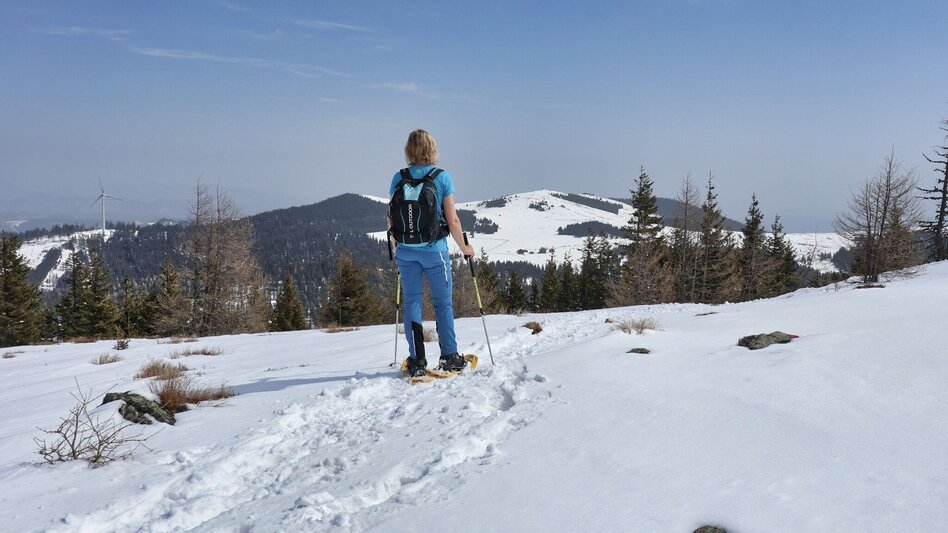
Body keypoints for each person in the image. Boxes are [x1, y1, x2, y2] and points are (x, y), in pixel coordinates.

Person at [388, 129, 475, 377]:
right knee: (442, 304)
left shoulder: (399, 177)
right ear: (432, 149)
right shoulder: (442, 178)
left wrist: (398, 246)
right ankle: (449, 357)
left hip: (405, 252)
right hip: (434, 251)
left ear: (409, 150)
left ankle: (416, 361)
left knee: (412, 302)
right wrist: (465, 248)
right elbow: (453, 220)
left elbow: (391, 217)